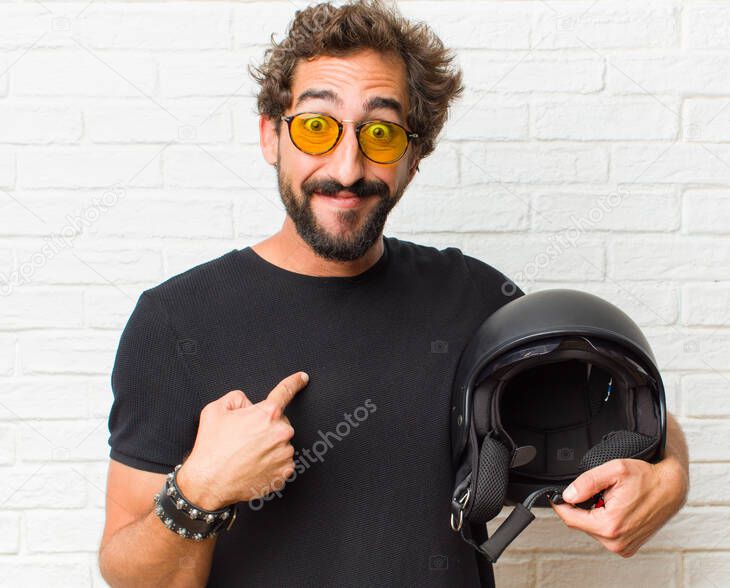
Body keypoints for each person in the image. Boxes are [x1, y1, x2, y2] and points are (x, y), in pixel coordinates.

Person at [98, 1, 690, 586]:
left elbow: (613, 399)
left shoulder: (476, 301)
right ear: (270, 137)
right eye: (315, 127)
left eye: (380, 133)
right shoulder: (176, 321)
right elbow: (130, 573)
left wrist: (671, 478)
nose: (348, 167)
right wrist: (201, 489)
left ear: (414, 156)